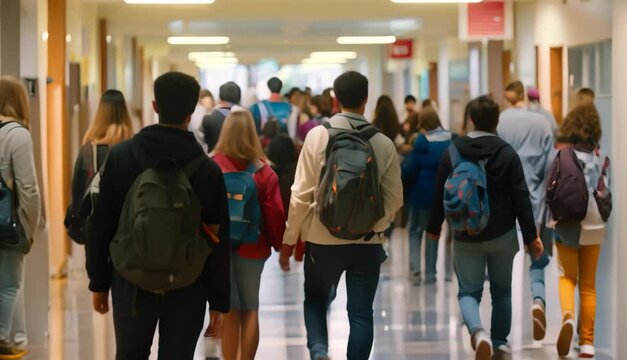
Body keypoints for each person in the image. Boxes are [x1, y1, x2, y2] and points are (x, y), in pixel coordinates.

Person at [86, 72, 231, 360]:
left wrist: (99, 282)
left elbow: (100, 223)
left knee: (130, 354)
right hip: (188, 283)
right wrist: (219, 300)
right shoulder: (207, 170)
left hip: (130, 280)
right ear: (192, 112)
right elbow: (218, 237)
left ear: (154, 106)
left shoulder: (121, 157)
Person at [279, 71, 402, 360]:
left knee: (316, 299)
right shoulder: (383, 142)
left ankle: (320, 352)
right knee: (361, 313)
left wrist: (290, 238)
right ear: (365, 99)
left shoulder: (317, 136)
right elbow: (395, 198)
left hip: (322, 239)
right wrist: (376, 226)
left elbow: (300, 194)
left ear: (335, 100)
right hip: (367, 243)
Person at [427, 95, 544, 359]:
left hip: (465, 234)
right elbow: (521, 196)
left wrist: (434, 228)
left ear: (471, 119)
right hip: (502, 235)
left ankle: (478, 333)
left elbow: (439, 193)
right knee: (502, 291)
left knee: (468, 291)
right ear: (496, 121)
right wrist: (530, 236)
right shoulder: (506, 152)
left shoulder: (453, 151)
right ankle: (499, 342)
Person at [212, 109, 285, 360]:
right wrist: (278, 245)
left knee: (230, 310)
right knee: (250, 308)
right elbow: (275, 213)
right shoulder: (264, 172)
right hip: (252, 247)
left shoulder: (211, 167)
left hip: (218, 247)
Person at [497, 81, 554, 342]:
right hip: (535, 198)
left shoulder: (500, 122)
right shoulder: (542, 123)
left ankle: (503, 330)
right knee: (537, 252)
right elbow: (551, 165)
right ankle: (538, 301)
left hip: (506, 199)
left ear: (509, 97)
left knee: (504, 259)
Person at [553, 103, 607, 359]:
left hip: (568, 223)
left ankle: (568, 317)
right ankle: (587, 343)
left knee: (567, 277)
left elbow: (550, 189)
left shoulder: (563, 156)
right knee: (588, 286)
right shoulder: (599, 156)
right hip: (595, 223)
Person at [0, 76, 43, 358]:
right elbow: (28, 189)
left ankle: (16, 338)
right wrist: (31, 226)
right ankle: (3, 337)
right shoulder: (17, 134)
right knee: (10, 284)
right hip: (7, 224)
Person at [65, 90, 134, 244]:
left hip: (96, 228)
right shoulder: (134, 148)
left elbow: (78, 192)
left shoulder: (90, 150)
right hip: (128, 228)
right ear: (125, 112)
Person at [402, 107, 452, 285]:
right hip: (447, 193)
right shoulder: (450, 139)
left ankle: (416, 271)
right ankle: (434, 273)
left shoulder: (422, 141)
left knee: (415, 231)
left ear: (422, 123)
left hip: (423, 194)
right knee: (436, 231)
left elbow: (410, 168)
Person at [202, 81, 242, 152]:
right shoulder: (246, 116)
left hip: (216, 160)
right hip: (241, 161)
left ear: (220, 96)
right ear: (239, 97)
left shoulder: (209, 118)